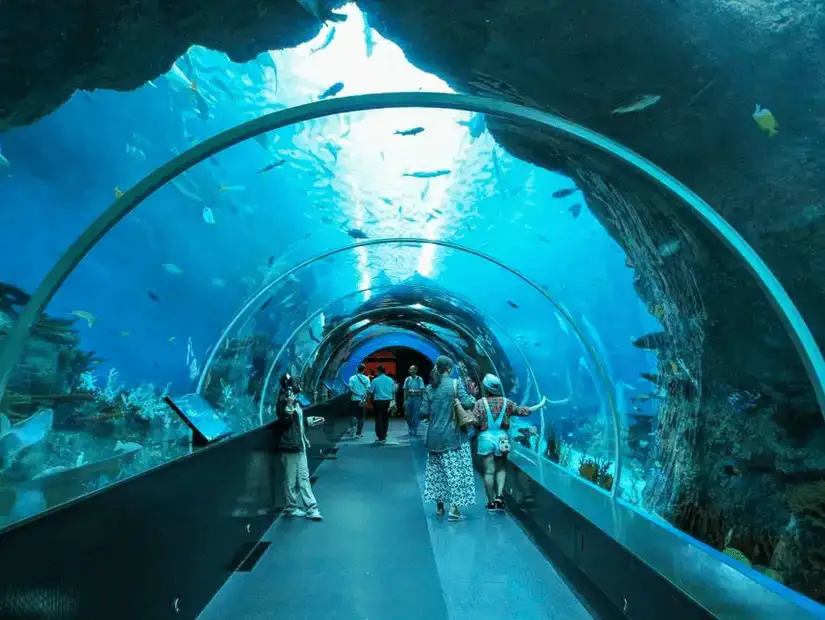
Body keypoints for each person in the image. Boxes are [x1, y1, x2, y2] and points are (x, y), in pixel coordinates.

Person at [457, 373, 546, 512]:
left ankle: (491, 502)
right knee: (501, 468)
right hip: (501, 439)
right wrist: (540, 405)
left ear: (486, 388)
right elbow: (523, 411)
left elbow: (473, 420)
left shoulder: (480, 403)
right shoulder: (506, 402)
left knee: (489, 471)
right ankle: (499, 497)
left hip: (485, 439)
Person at [420, 355, 477, 521]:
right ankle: (454, 510)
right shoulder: (454, 384)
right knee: (455, 472)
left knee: (436, 472)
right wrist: (472, 396)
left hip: (434, 437)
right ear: (450, 369)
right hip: (453, 437)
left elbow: (423, 412)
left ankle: (439, 508)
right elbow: (467, 403)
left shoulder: (429, 388)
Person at [275, 373, 324, 520]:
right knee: (291, 479)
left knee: (303, 477)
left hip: (299, 445)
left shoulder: (294, 401)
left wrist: (310, 421)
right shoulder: (283, 401)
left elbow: (297, 423)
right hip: (289, 446)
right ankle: (293, 507)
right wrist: (289, 404)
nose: (300, 386)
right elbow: (285, 422)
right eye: (297, 383)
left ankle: (310, 508)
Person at [367, 365, 395, 444]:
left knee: (378, 419)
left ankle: (381, 437)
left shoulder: (375, 380)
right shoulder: (391, 380)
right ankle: (384, 435)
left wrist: (366, 400)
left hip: (378, 402)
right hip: (388, 402)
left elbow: (370, 392)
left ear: (378, 371)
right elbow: (393, 392)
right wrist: (394, 402)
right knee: (385, 418)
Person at [346, 363, 370, 439]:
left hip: (354, 399)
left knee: (353, 415)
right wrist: (363, 396)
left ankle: (353, 426)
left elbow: (351, 389)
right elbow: (368, 390)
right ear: (364, 370)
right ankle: (358, 433)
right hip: (362, 400)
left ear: (357, 369)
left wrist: (357, 394)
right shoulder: (366, 378)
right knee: (361, 417)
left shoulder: (352, 378)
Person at [403, 365, 425, 437]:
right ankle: (410, 428)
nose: (411, 371)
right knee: (407, 415)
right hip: (409, 398)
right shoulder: (407, 379)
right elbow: (405, 390)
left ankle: (414, 429)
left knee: (416, 415)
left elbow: (422, 390)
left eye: (413, 370)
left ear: (416, 371)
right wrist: (404, 400)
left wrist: (423, 400)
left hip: (417, 398)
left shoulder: (419, 379)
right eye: (410, 369)